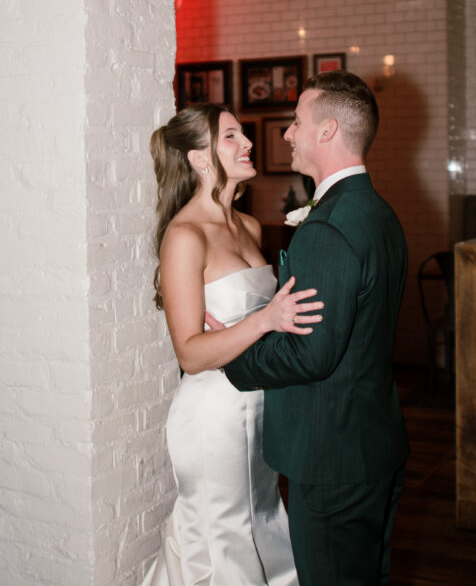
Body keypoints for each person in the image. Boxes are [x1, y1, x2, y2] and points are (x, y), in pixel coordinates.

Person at [220, 71, 409, 586]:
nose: (286, 134)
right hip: (373, 440)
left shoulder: (328, 228)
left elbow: (310, 355)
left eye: (296, 122)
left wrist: (229, 355)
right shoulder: (379, 213)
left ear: (327, 131)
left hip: (333, 458)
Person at [142, 103, 323, 586]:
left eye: (242, 134)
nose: (246, 143)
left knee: (262, 522)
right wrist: (265, 319)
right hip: (214, 416)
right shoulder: (185, 235)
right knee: (223, 539)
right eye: (231, 137)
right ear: (200, 159)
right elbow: (190, 352)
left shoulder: (248, 226)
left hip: (262, 408)